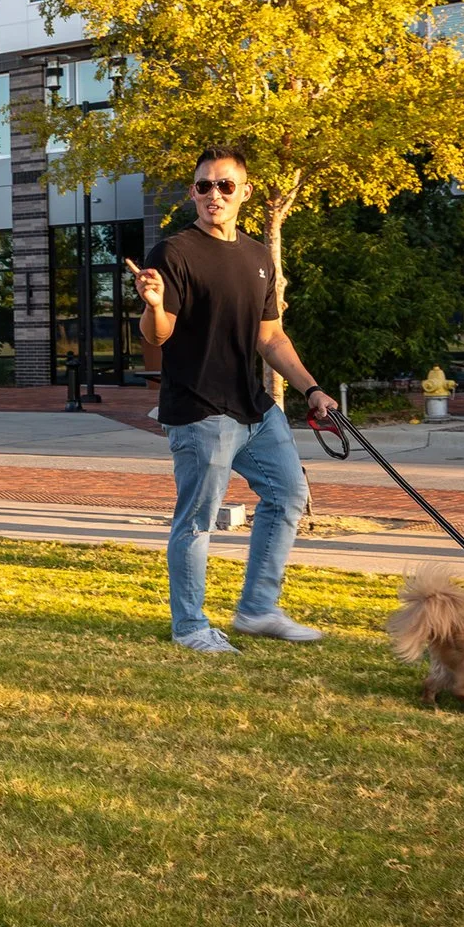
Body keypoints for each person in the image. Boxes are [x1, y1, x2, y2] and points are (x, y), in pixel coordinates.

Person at [136, 144, 340, 654]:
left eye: (225, 186)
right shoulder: (174, 253)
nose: (214, 195)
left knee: (288, 494)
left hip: (254, 408)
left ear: (245, 193)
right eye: (204, 186)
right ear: (193, 193)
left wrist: (311, 389)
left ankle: (257, 610)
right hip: (200, 411)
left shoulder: (258, 257)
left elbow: (270, 338)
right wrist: (155, 305)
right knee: (198, 520)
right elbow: (157, 337)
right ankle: (190, 627)